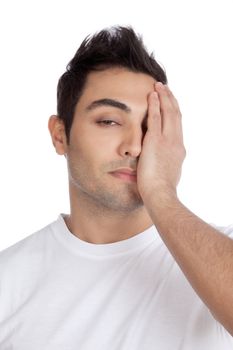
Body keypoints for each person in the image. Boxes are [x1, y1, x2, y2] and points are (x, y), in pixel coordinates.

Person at [0, 25, 232, 350]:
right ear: (59, 135)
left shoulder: (219, 256)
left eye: (150, 126)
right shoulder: (8, 280)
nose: (135, 147)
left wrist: (161, 193)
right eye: (109, 121)